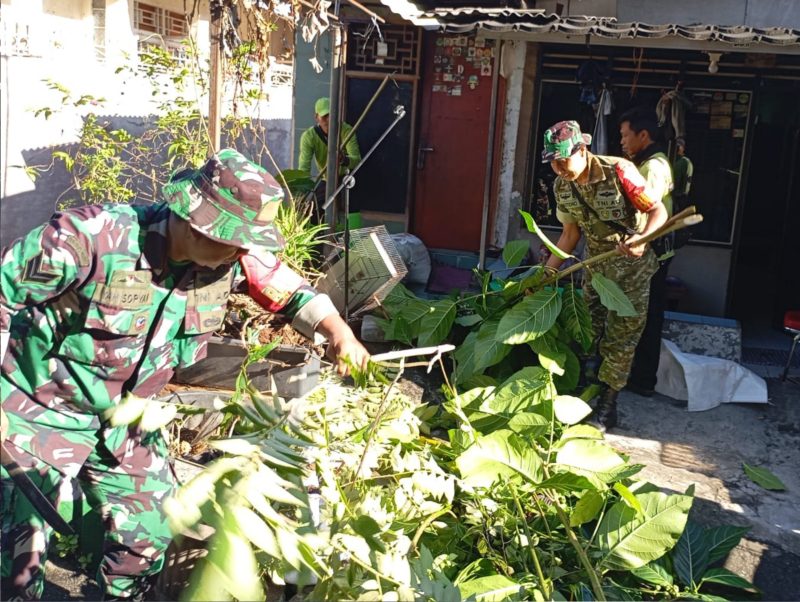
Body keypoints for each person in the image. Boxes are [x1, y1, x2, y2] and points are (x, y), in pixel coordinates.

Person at [0, 149, 369, 600]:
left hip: (127, 418)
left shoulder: (234, 258)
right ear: (194, 222)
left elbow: (292, 292)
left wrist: (339, 334)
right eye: (233, 241)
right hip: (38, 407)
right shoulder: (91, 239)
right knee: (19, 554)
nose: (242, 252)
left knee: (153, 527)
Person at [541, 120, 667, 430]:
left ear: (582, 150)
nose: (559, 168)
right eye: (553, 162)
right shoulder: (562, 186)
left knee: (620, 339)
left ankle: (607, 407)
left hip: (632, 272)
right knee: (586, 333)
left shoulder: (619, 171)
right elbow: (569, 235)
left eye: (564, 160)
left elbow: (658, 211)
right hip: (595, 269)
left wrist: (642, 239)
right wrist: (546, 274)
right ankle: (581, 396)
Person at [619, 108, 675, 397]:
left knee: (646, 318)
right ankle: (640, 378)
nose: (622, 142)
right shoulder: (653, 162)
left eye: (625, 135)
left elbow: (649, 214)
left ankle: (641, 380)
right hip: (652, 253)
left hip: (650, 256)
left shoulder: (652, 167)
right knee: (645, 316)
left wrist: (636, 240)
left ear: (644, 135)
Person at [297, 97, 362, 222]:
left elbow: (357, 160)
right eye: (324, 116)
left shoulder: (347, 130)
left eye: (331, 116)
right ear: (316, 117)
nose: (329, 120)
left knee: (352, 207)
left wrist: (344, 160)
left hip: (347, 176)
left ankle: (351, 232)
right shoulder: (309, 136)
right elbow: (304, 167)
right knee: (313, 211)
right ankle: (318, 233)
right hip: (327, 179)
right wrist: (300, 192)